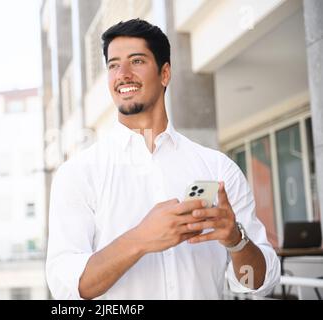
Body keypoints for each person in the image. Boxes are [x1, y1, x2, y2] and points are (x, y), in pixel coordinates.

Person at [46, 19, 280, 299]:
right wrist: (140, 239)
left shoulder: (218, 168)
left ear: (165, 73)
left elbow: (258, 284)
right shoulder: (78, 174)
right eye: (113, 65)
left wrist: (236, 241)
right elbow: (68, 287)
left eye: (137, 61)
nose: (123, 74)